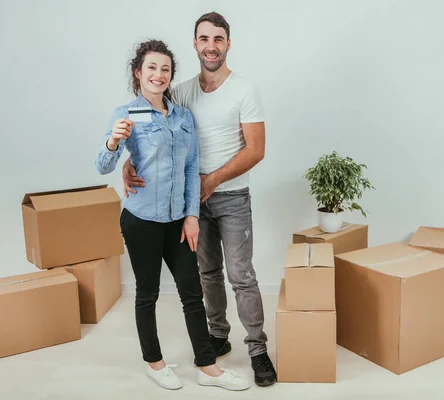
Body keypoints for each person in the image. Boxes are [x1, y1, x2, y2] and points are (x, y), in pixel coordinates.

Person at [122, 13, 277, 387]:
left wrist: (212, 180)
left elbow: (256, 150)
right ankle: (218, 335)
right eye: (204, 38)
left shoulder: (244, 90)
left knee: (241, 276)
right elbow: (154, 135)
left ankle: (257, 349)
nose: (211, 46)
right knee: (207, 275)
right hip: (190, 205)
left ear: (228, 44)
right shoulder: (182, 91)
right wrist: (128, 162)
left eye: (218, 39)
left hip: (231, 197)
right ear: (195, 44)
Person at [95, 39, 249, 392]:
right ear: (138, 72)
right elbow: (103, 166)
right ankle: (155, 363)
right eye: (151, 67)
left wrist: (192, 215)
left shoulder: (182, 116)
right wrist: (113, 144)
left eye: (165, 69)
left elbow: (192, 165)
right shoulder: (126, 114)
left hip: (179, 220)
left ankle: (207, 367)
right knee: (146, 293)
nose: (158, 74)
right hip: (142, 221)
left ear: (170, 76)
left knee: (192, 293)